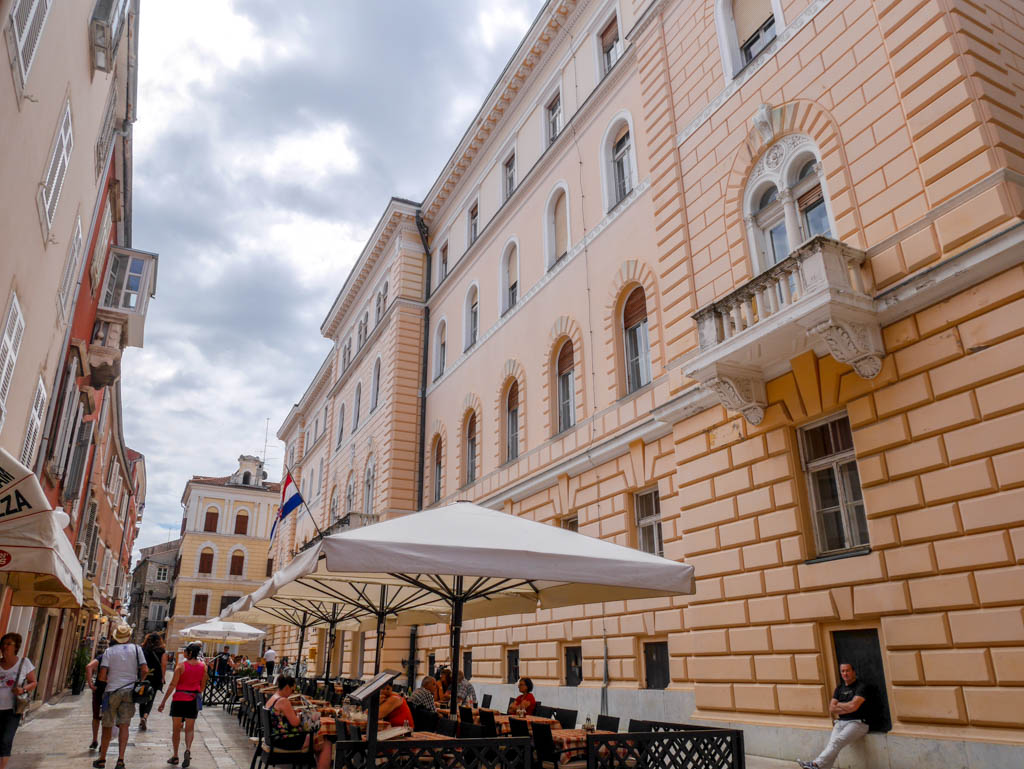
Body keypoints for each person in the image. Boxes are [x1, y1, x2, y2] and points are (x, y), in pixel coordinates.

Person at [798, 662, 873, 769]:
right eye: (842, 671)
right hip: (840, 722)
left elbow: (853, 707)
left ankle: (815, 764)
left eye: (847, 670)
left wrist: (840, 705)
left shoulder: (861, 687)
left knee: (836, 742)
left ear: (853, 672)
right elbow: (832, 708)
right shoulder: (839, 688)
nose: (845, 673)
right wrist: (847, 706)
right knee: (833, 745)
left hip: (858, 723)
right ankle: (820, 767)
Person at [94, 623, 149, 769]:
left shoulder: (109, 651)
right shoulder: (137, 649)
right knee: (124, 725)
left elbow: (102, 675)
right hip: (130, 691)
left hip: (112, 691)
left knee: (107, 725)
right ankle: (120, 760)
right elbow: (145, 669)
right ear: (129, 636)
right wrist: (139, 682)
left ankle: (102, 759)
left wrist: (107, 681)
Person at [265, 675, 331, 769]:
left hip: (275, 739)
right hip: (286, 741)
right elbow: (295, 723)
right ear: (287, 687)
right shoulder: (283, 700)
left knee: (318, 740)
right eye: (292, 690)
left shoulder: (273, 698)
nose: (292, 694)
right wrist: (299, 715)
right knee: (325, 743)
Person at [158, 642, 207, 768]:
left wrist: (163, 702)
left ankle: (175, 756)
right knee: (190, 729)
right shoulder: (203, 667)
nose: (184, 653)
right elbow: (202, 687)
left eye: (186, 651)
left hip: (179, 699)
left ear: (189, 653)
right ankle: (188, 749)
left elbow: (172, 685)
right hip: (192, 700)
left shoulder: (181, 666)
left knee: (176, 729)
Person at [0, 632, 38, 769]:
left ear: (16, 647)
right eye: (3, 644)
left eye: (9, 644)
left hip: (13, 709)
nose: (5, 647)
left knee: (6, 740)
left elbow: (33, 682)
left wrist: (23, 690)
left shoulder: (24, 663)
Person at [138, 633, 167, 731]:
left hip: (144, 676)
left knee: (142, 698)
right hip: (156, 677)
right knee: (151, 698)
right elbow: (163, 665)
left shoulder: (143, 649)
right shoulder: (162, 651)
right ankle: (145, 717)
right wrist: (163, 677)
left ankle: (141, 717)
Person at [86, 638, 110, 750]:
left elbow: (89, 666)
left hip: (99, 689)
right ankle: (103, 744)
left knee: (96, 717)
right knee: (108, 718)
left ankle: (94, 740)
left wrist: (90, 684)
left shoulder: (102, 657)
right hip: (110, 690)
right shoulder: (117, 659)